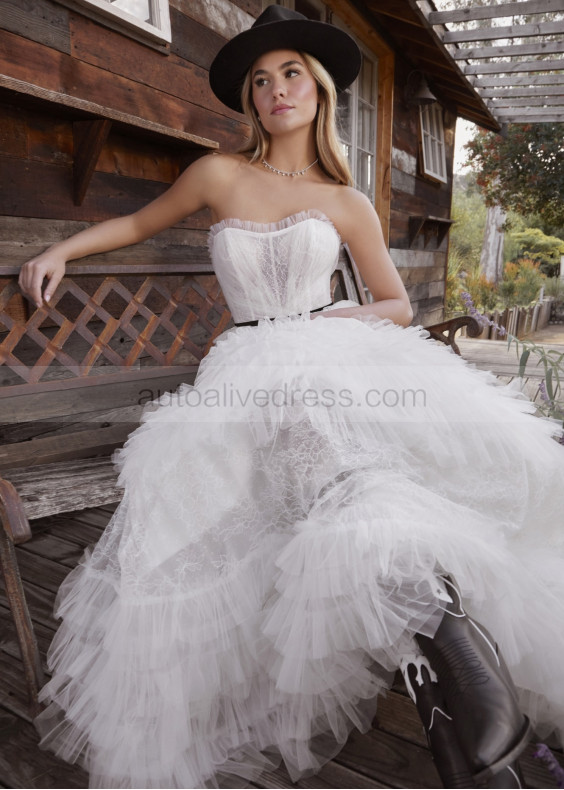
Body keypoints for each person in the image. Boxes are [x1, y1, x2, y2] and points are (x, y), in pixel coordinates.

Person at [18, 6, 564, 789]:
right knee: (326, 461)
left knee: (360, 464)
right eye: (262, 80)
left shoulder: (348, 201)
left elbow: (396, 304)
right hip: (248, 365)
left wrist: (349, 313)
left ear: (318, 93)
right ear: (252, 99)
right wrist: (63, 248)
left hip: (332, 349)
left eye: (292, 76)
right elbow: (139, 220)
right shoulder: (218, 173)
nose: (277, 89)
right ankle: (472, 710)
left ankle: (463, 706)